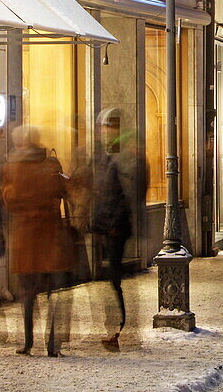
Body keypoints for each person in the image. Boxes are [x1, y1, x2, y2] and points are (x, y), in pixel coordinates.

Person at [1, 126, 74, 357]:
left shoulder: (12, 167)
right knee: (53, 290)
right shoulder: (51, 165)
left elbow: (9, 200)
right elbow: (65, 190)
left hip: (25, 236)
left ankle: (28, 342)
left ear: (20, 142)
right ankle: (52, 343)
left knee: (28, 293)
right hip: (50, 234)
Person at [89, 109, 133, 351]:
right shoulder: (104, 156)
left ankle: (119, 328)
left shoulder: (121, 156)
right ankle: (117, 327)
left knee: (114, 279)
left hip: (115, 226)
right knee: (111, 279)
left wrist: (113, 223)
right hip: (107, 225)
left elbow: (121, 192)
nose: (103, 132)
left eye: (106, 127)